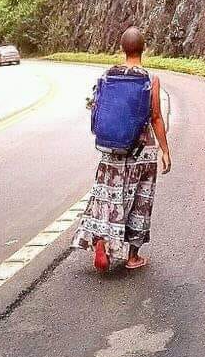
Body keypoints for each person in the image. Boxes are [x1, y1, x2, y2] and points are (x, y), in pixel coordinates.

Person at [71, 26, 171, 271]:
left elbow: (96, 108)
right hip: (141, 150)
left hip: (112, 150)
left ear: (122, 49)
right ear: (143, 49)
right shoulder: (150, 79)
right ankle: (132, 257)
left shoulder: (107, 76)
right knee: (140, 199)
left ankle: (101, 242)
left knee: (107, 195)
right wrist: (165, 149)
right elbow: (156, 116)